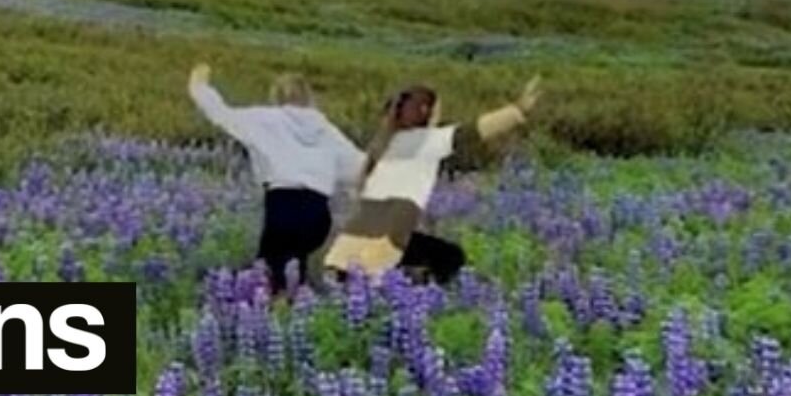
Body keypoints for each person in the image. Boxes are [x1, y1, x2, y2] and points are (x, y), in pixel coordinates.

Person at [322, 76, 541, 284]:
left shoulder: (386, 142)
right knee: (450, 258)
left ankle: (400, 289)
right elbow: (474, 132)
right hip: (383, 244)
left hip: (350, 243)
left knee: (432, 254)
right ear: (425, 111)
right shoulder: (426, 141)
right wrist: (518, 110)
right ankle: (416, 304)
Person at [188, 63, 363, 292]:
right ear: (309, 98)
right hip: (318, 214)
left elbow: (222, 115)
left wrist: (199, 86)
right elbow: (360, 168)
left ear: (277, 96)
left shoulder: (266, 119)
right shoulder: (326, 130)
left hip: (284, 207)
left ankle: (267, 316)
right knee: (295, 266)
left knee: (269, 273)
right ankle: (295, 309)